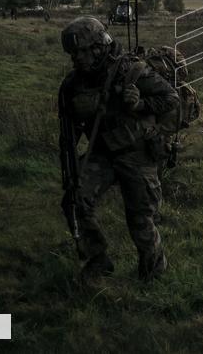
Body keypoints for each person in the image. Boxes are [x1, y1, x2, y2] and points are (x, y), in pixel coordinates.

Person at [58, 17, 180, 281]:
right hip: (102, 153)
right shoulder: (73, 84)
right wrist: (71, 174)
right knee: (75, 199)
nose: (76, 59)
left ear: (98, 47)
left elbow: (170, 99)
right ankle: (97, 258)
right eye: (72, 54)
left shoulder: (130, 70)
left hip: (137, 153)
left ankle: (153, 275)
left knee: (141, 221)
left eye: (80, 52)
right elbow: (68, 134)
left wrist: (139, 105)